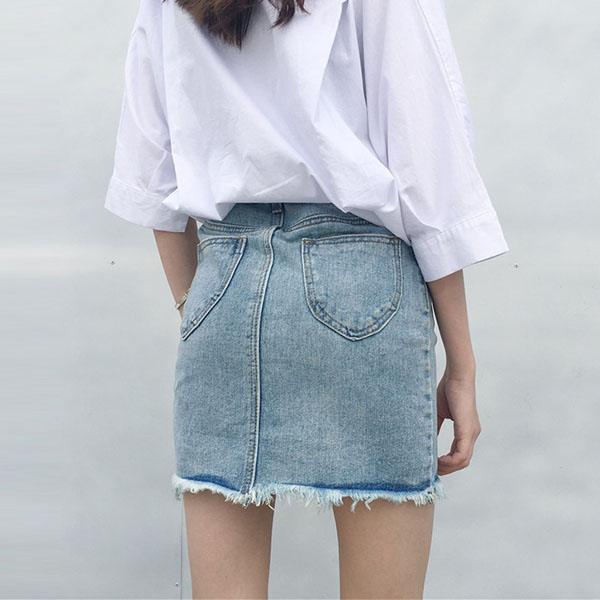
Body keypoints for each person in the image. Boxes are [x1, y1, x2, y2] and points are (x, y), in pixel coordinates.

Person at [104, 0, 509, 597]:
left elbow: (151, 178)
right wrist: (463, 367)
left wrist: (199, 311)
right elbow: (429, 173)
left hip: (225, 279)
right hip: (361, 285)